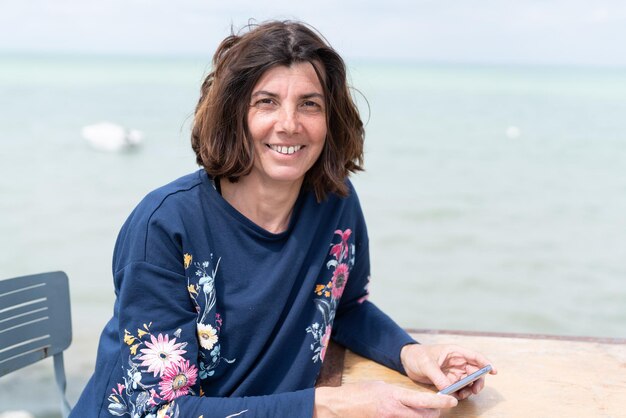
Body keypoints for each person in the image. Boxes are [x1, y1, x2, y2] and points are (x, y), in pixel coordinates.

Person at [70, 20, 497, 418]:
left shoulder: (336, 202)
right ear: (234, 114)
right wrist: (327, 405)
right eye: (267, 102)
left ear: (331, 119)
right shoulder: (164, 227)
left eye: (309, 104)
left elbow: (344, 309)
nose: (289, 124)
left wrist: (411, 355)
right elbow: (157, 410)